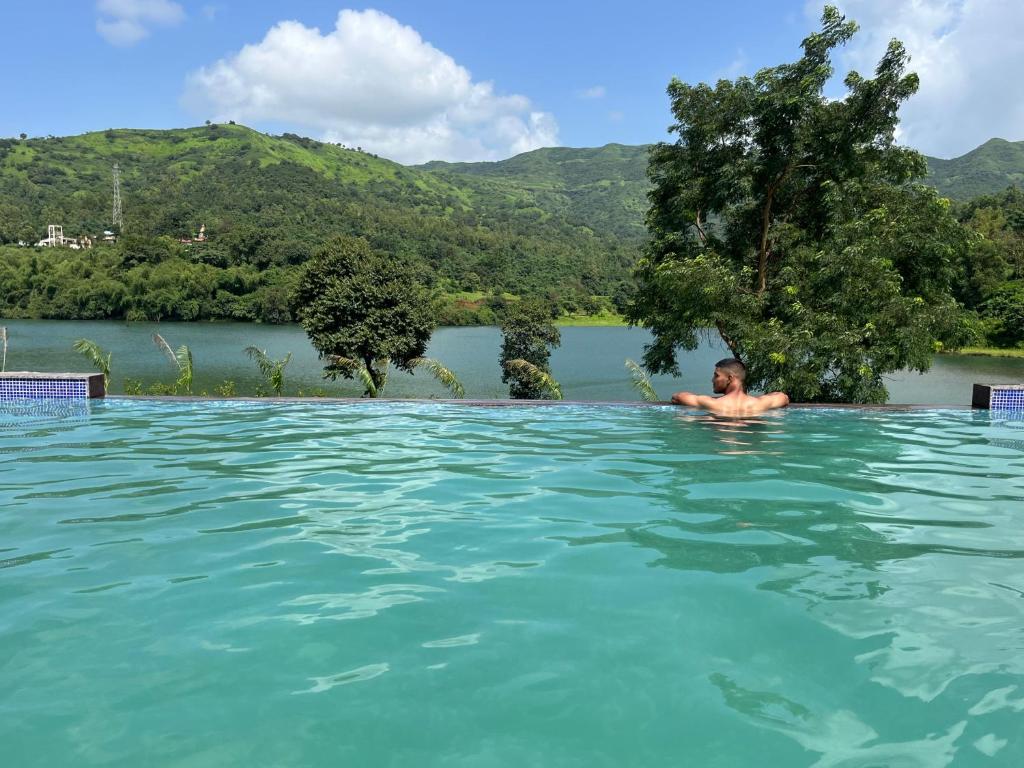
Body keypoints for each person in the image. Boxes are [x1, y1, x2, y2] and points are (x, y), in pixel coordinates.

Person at [671, 358, 789, 416]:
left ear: (730, 378)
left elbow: (677, 397)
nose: (712, 380)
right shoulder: (759, 403)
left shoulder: (712, 403)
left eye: (716, 376)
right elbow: (783, 397)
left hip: (721, 444)